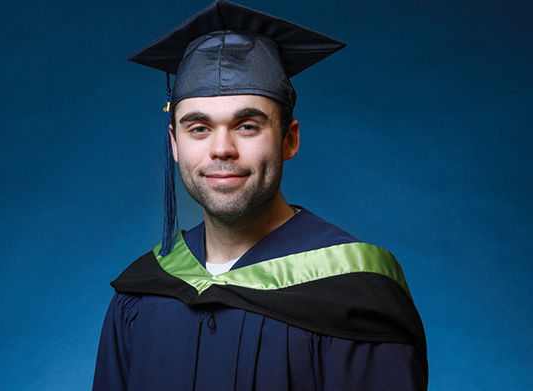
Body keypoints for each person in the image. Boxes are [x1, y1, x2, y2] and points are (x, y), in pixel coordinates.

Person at [93, 1, 428, 390]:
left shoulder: (354, 294)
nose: (222, 149)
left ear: (289, 139)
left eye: (247, 126)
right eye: (199, 128)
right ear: (174, 144)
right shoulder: (141, 295)